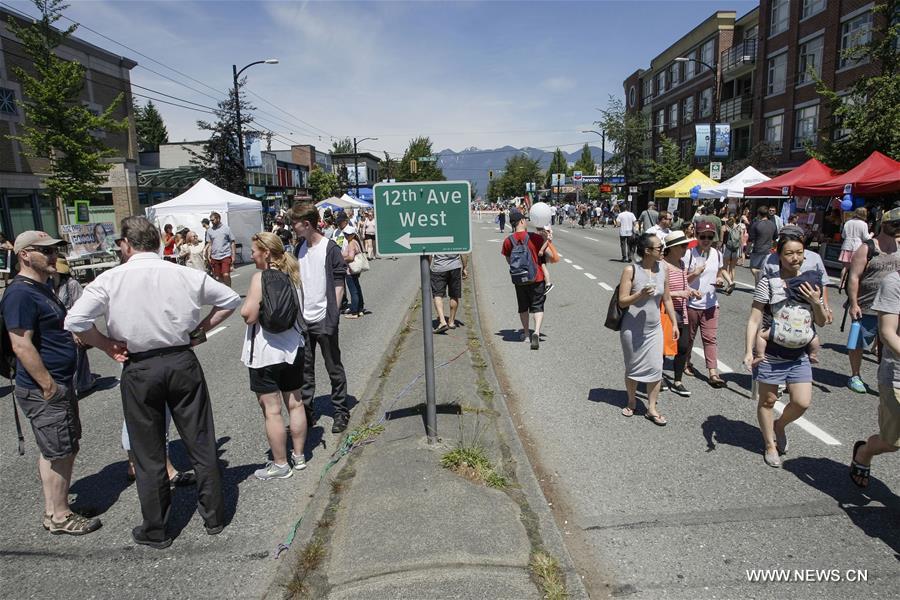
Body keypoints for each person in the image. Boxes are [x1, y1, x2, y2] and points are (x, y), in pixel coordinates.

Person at [65, 216, 241, 548]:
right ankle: (214, 516)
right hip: (180, 358)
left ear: (126, 244)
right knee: (200, 440)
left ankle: (158, 528)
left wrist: (105, 344)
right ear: (158, 243)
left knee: (148, 450)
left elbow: (74, 320)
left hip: (139, 364)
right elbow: (229, 300)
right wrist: (197, 333)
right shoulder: (183, 273)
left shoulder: (109, 279)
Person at [1, 231, 101, 536]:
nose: (54, 255)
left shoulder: (39, 288)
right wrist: (48, 386)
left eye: (55, 249)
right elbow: (21, 345)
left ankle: (53, 510)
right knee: (60, 450)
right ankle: (60, 516)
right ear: (24, 255)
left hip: (56, 382)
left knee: (56, 448)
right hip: (44, 387)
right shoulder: (20, 293)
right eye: (45, 251)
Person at [743, 234, 828, 468]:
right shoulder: (768, 282)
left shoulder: (811, 282)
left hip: (799, 354)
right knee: (768, 400)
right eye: (789, 253)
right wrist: (749, 350)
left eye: (799, 253)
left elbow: (821, 322)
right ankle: (770, 444)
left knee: (802, 402)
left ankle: (779, 426)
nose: (795, 258)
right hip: (771, 354)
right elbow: (755, 317)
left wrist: (816, 301)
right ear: (779, 256)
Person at [240, 232, 308, 480]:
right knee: (296, 402)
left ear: (266, 253)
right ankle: (299, 457)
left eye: (255, 250)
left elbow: (248, 314)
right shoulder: (294, 275)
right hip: (293, 348)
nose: (251, 254)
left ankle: (280, 464)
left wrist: (250, 308)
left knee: (272, 410)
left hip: (265, 353)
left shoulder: (260, 278)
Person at [289, 201, 352, 434]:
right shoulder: (299, 248)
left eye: (294, 223)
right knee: (305, 370)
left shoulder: (330, 248)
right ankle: (307, 413)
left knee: (333, 367)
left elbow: (338, 283)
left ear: (307, 224)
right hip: (304, 321)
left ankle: (340, 411)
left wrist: (332, 316)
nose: (292, 227)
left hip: (324, 318)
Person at [618, 233, 678, 425]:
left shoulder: (663, 269)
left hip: (654, 329)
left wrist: (674, 323)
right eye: (660, 247)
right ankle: (632, 400)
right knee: (632, 366)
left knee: (656, 367)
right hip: (632, 328)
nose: (663, 250)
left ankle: (651, 408)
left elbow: (667, 298)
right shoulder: (631, 270)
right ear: (647, 251)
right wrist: (641, 294)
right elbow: (622, 301)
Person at [849, 270, 900, 487]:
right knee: (891, 442)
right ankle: (864, 451)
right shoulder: (895, 282)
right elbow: (887, 332)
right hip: (897, 377)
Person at [846, 207, 900, 393]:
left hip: (892, 307)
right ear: (884, 224)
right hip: (867, 305)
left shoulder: (899, 246)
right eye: (895, 224)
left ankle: (886, 378)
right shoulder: (868, 247)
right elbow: (854, 277)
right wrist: (854, 303)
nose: (898, 228)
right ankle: (855, 375)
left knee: (890, 343)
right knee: (859, 342)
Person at [684, 221, 732, 388]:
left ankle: (713, 372)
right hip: (691, 303)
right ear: (696, 236)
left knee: (710, 338)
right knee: (688, 338)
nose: (706, 240)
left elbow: (718, 274)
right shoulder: (689, 254)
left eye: (710, 237)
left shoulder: (717, 254)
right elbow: (681, 281)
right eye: (702, 236)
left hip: (711, 304)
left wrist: (719, 280)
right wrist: (695, 273)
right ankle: (686, 361)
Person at [662, 231, 701, 397]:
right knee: (662, 348)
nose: (686, 249)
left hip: (682, 311)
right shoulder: (662, 266)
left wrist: (691, 291)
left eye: (686, 246)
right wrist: (680, 294)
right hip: (665, 312)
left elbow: (683, 284)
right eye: (682, 246)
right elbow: (660, 292)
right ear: (671, 248)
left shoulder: (682, 264)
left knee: (683, 347)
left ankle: (677, 381)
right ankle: (658, 377)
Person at [500, 208, 546, 350]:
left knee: (523, 306)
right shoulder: (534, 237)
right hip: (536, 277)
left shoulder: (508, 241)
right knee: (537, 306)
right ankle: (536, 332)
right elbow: (546, 252)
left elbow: (508, 259)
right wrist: (546, 238)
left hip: (519, 279)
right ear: (521, 221)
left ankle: (526, 334)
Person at [50, 257, 95, 395]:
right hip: (55, 328)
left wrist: (77, 330)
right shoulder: (47, 284)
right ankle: (80, 384)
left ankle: (74, 388)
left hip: (70, 327)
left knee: (76, 357)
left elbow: (81, 309)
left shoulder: (72, 284)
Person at [431, 253, 468, 333]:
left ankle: (442, 321)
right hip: (455, 267)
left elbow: (429, 253)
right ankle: (451, 322)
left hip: (438, 267)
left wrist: (428, 267)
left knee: (437, 294)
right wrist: (464, 267)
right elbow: (464, 252)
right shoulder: (457, 239)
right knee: (454, 295)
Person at [839, 207, 870, 292]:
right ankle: (852, 285)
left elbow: (843, 236)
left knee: (845, 267)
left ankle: (841, 283)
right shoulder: (863, 224)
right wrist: (871, 234)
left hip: (846, 246)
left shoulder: (848, 222)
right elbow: (866, 237)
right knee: (855, 269)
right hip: (857, 247)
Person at [205, 211, 236, 288]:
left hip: (225, 255)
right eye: (210, 220)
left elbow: (232, 242)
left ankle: (230, 290)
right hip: (215, 256)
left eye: (213, 220)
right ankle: (224, 291)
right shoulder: (209, 231)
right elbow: (209, 243)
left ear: (218, 219)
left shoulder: (226, 228)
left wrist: (233, 256)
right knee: (218, 277)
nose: (211, 222)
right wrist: (208, 254)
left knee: (226, 274)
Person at [341, 225, 366, 319]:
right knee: (357, 288)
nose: (346, 236)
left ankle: (354, 311)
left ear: (352, 235)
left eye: (348, 234)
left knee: (353, 290)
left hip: (350, 270)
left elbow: (351, 257)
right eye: (345, 234)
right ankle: (360, 308)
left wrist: (342, 258)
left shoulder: (351, 243)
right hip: (355, 269)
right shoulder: (356, 242)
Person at [748, 205, 777, 282]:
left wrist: (747, 250)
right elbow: (775, 239)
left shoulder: (756, 224)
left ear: (759, 214)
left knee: (753, 268)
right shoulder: (773, 224)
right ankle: (758, 285)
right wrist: (774, 249)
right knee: (762, 269)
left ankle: (761, 281)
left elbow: (750, 240)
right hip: (768, 250)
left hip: (757, 249)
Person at [722, 216, 744, 285]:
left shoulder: (727, 226)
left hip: (728, 248)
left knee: (724, 268)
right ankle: (730, 284)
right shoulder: (740, 228)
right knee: (732, 268)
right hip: (736, 249)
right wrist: (741, 252)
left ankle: (730, 283)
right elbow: (741, 241)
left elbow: (722, 237)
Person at [537, 225, 558, 294]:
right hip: (545, 248)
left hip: (544, 248)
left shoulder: (544, 231)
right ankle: (546, 282)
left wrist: (541, 250)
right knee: (543, 265)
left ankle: (548, 283)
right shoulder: (547, 230)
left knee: (543, 265)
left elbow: (546, 241)